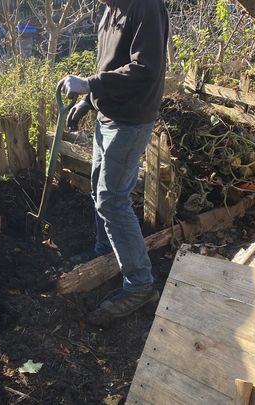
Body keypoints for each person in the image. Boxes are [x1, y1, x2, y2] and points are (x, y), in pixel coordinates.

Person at [59, 0, 169, 325]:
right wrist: (88, 100)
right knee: (98, 189)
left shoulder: (146, 7)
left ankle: (140, 285)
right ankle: (105, 250)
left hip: (131, 120)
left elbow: (145, 69)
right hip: (107, 116)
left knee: (113, 200)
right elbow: (109, 65)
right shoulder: (109, 10)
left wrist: (91, 85)